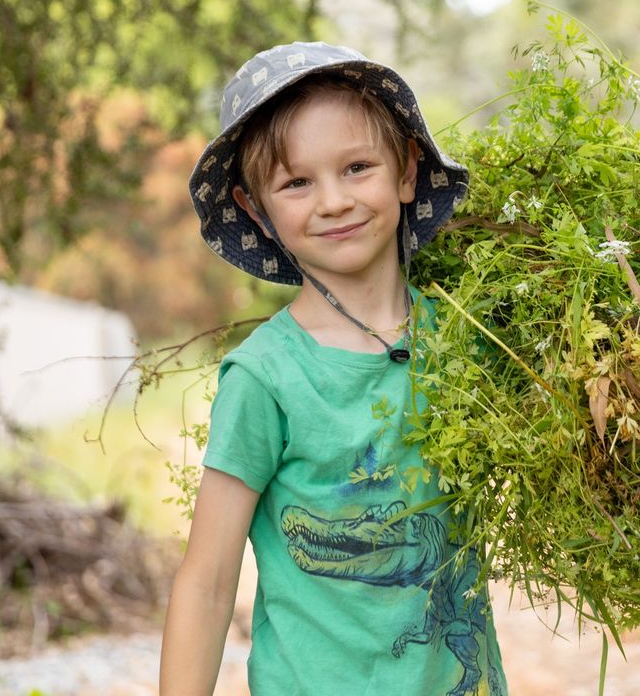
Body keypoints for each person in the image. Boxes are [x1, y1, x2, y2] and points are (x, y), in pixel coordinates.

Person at [160, 42, 507, 696]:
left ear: (406, 172)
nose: (334, 201)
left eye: (356, 167)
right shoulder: (266, 376)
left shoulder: (469, 337)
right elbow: (207, 582)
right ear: (257, 210)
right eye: (297, 182)